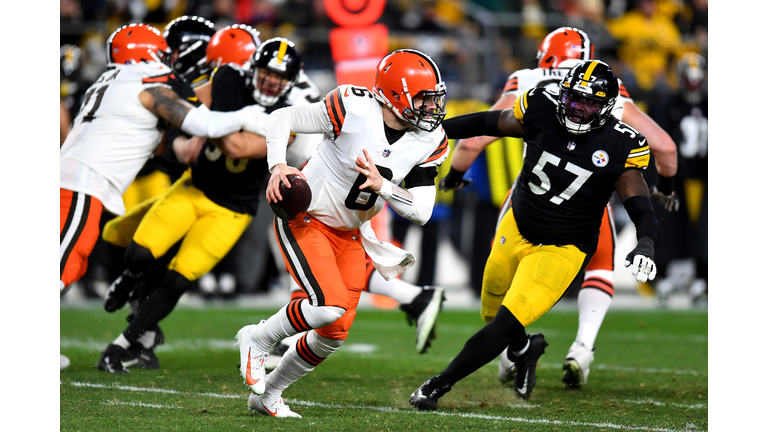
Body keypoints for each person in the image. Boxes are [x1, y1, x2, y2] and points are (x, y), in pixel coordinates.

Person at [409, 59, 659, 409]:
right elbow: (486, 122)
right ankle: (526, 349)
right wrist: (429, 136)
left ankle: (437, 385)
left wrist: (645, 244)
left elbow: (642, 208)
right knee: (491, 311)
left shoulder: (620, 145)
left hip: (563, 248)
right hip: (518, 224)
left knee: (505, 321)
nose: (578, 109)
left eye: (589, 103)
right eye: (573, 99)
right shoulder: (541, 105)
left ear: (605, 108)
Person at [236, 48, 450, 418]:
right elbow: (282, 118)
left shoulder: (429, 140)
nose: (432, 108)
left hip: (349, 233)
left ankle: (268, 395)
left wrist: (383, 186)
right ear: (397, 95)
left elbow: (421, 211)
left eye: (434, 98)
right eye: (424, 99)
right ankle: (257, 337)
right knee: (328, 305)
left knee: (334, 331)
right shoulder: (353, 106)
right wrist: (277, 166)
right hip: (307, 218)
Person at [94, 37, 321, 373]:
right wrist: (193, 129)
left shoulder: (289, 115)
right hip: (194, 187)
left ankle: (122, 345)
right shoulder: (227, 77)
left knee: (178, 281)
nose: (271, 82)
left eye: (280, 78)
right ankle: (130, 278)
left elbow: (237, 147)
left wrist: (215, 121)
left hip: (231, 211)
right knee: (138, 253)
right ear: (252, 69)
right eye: (266, 73)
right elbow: (188, 107)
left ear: (290, 83)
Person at [60, 22, 267, 370]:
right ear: (147, 55)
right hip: (81, 182)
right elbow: (205, 126)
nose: (168, 59)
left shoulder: (112, 79)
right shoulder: (149, 77)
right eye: (161, 52)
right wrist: (252, 115)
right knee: (63, 265)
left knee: (74, 262)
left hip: (74, 177)